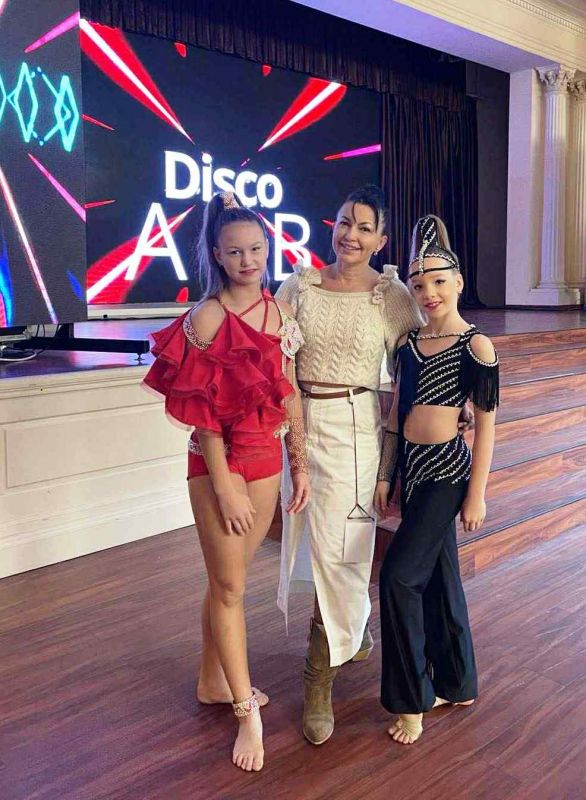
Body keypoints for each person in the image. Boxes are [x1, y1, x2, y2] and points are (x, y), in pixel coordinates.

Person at [143, 192, 310, 772]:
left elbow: (289, 396)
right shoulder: (207, 317)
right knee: (232, 587)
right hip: (219, 465)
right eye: (235, 251)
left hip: (267, 461)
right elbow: (204, 415)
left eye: (256, 249)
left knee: (226, 581)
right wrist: (224, 485)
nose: (248, 261)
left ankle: (212, 681)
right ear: (216, 254)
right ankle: (245, 714)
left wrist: (299, 464)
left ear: (268, 249)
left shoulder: (281, 316)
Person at [276, 185, 423, 745]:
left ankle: (317, 679)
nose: (351, 235)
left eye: (364, 227)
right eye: (343, 223)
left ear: (381, 239)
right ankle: (352, 627)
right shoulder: (300, 285)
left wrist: (393, 465)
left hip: (357, 432)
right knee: (319, 544)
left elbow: (414, 372)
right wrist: (293, 446)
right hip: (301, 424)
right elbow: (279, 365)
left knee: (344, 550)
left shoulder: (391, 295)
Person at [374, 214, 499, 745]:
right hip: (413, 472)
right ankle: (457, 682)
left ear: (459, 282)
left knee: (399, 577)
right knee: (442, 577)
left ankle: (412, 701)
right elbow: (396, 418)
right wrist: (387, 474)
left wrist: (477, 494)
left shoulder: (476, 346)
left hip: (448, 473)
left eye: (439, 282)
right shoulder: (408, 345)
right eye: (419, 284)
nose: (429, 293)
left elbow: (486, 425)